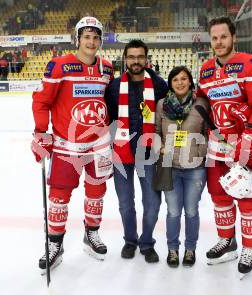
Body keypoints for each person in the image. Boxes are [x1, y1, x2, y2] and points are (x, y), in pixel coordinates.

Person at [31, 16, 114, 274]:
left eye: (96, 37)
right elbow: (41, 101)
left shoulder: (108, 68)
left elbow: (110, 102)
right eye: (86, 36)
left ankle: (92, 234)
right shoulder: (59, 66)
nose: (91, 41)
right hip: (67, 145)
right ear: (77, 38)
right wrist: (40, 133)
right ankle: (55, 244)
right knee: (58, 197)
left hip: (98, 145)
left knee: (96, 193)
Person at [196, 17, 252, 275]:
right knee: (220, 197)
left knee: (248, 199)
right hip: (217, 147)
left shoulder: (249, 65)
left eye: (223, 37)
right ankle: (227, 240)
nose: (219, 42)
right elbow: (202, 105)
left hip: (246, 144)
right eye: (215, 38)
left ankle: (250, 247)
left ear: (233, 38)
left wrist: (250, 138)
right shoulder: (206, 70)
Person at [105, 39, 168, 263]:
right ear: (125, 59)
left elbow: (166, 117)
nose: (136, 61)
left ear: (146, 59)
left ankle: (147, 242)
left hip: (149, 153)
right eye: (131, 57)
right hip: (121, 154)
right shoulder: (113, 86)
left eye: (140, 57)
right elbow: (109, 119)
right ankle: (130, 241)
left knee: (152, 204)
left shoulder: (160, 85)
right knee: (125, 204)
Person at [155, 66, 209, 267]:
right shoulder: (162, 105)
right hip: (170, 166)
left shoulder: (201, 104)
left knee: (192, 211)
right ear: (170, 83)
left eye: (184, 78)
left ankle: (190, 249)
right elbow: (155, 131)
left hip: (195, 168)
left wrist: (198, 151)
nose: (180, 82)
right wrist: (160, 147)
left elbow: (207, 132)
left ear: (190, 82)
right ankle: (172, 250)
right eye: (175, 79)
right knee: (173, 211)